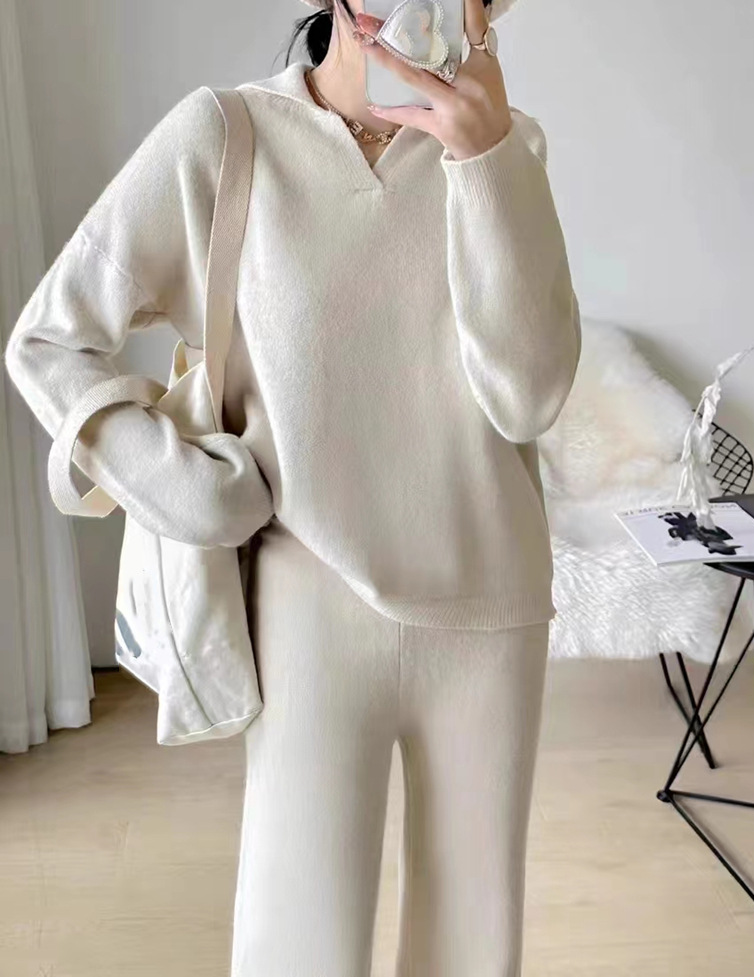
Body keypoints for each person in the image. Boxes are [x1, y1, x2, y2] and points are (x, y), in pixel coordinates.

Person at [3, 0, 581, 973]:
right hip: (307, 607)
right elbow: (48, 339)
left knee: (473, 946)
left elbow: (529, 398)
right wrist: (176, 486)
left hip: (490, 607)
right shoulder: (226, 135)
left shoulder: (508, 147)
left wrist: (483, 160)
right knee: (296, 944)